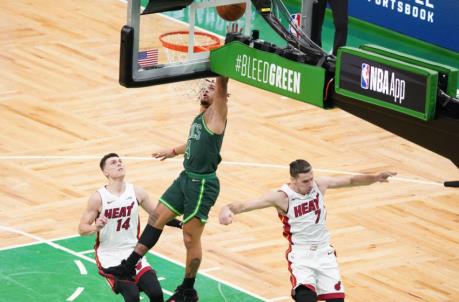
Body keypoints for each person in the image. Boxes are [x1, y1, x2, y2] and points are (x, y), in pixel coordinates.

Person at [102, 77, 230, 302]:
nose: (206, 89)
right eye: (205, 85)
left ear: (221, 95)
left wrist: (221, 72)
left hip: (202, 185)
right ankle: (128, 267)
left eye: (211, 88)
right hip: (186, 178)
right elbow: (194, 143)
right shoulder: (201, 117)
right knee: (156, 216)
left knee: (190, 239)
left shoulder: (217, 114)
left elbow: (222, 86)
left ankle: (188, 290)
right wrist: (174, 150)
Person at [219, 159, 396, 302]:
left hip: (325, 253)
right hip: (301, 255)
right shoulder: (281, 197)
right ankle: (300, 291)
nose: (310, 184)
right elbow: (245, 205)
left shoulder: (319, 185)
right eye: (305, 181)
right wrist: (227, 209)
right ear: (293, 180)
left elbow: (350, 180)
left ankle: (300, 291)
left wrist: (375, 177)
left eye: (311, 178)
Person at [78, 153, 183, 302]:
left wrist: (181, 224)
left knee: (156, 294)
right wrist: (95, 227)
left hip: (133, 252)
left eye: (120, 161)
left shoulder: (136, 192)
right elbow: (81, 228)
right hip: (109, 256)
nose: (119, 164)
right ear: (105, 172)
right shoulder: (98, 198)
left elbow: (158, 215)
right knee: (133, 297)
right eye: (113, 163)